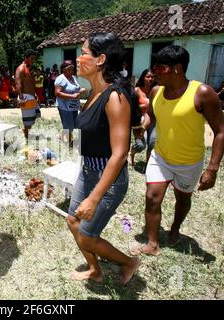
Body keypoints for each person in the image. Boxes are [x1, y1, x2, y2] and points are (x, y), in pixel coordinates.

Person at [131, 45, 224, 256]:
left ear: (177, 68)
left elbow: (220, 131)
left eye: (159, 67)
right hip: (161, 157)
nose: (154, 72)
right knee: (152, 197)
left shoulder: (202, 93)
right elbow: (153, 116)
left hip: (189, 162)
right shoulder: (156, 91)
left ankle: (175, 228)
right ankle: (153, 243)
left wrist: (212, 168)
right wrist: (143, 126)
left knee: (183, 199)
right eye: (154, 67)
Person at [67, 32, 140, 284]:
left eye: (84, 52)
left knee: (87, 236)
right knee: (73, 221)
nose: (78, 58)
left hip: (108, 180)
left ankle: (129, 262)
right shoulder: (93, 93)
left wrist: (94, 197)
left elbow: (119, 154)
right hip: (88, 171)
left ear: (100, 60)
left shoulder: (115, 97)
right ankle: (95, 270)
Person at [54, 60, 85, 148]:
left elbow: (74, 90)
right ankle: (67, 144)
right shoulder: (61, 79)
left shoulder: (72, 78)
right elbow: (57, 93)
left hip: (74, 106)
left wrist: (80, 91)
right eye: (70, 69)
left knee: (75, 124)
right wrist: (72, 96)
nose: (72, 71)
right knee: (68, 126)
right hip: (65, 106)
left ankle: (68, 140)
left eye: (73, 69)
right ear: (64, 70)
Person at [128, 69, 156, 167]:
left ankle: (148, 166)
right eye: (148, 76)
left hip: (153, 121)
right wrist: (144, 106)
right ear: (143, 77)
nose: (150, 79)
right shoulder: (137, 90)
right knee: (141, 145)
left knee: (152, 143)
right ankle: (132, 153)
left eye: (152, 77)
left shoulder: (156, 90)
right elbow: (132, 107)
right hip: (140, 122)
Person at [15, 49, 41, 140]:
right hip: (25, 97)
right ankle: (27, 138)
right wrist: (21, 96)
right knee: (27, 121)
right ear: (25, 58)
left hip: (32, 96)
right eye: (31, 58)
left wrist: (35, 94)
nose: (33, 61)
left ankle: (26, 132)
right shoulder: (21, 68)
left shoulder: (28, 68)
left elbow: (30, 83)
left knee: (35, 117)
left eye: (34, 59)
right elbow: (18, 83)